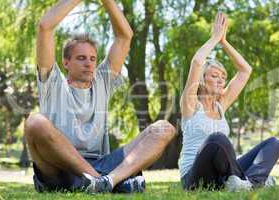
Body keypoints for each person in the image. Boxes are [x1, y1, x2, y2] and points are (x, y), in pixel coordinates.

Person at [24, 0, 176, 194]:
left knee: (165, 128)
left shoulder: (101, 82)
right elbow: (45, 27)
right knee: (34, 122)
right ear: (66, 62)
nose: (89, 64)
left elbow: (125, 36)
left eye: (92, 59)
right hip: (58, 167)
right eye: (81, 58)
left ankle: (109, 181)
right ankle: (103, 182)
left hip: (101, 163)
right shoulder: (52, 83)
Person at [178, 12, 279, 191]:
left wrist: (224, 42)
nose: (221, 80)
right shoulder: (190, 105)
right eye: (214, 75)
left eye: (223, 77)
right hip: (193, 178)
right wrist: (214, 38)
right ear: (202, 80)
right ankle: (256, 182)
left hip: (222, 175)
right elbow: (196, 62)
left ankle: (248, 184)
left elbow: (245, 71)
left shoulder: (221, 106)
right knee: (217, 139)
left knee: (274, 144)